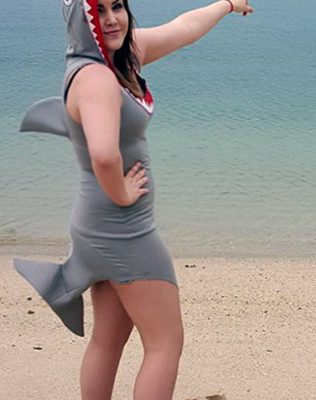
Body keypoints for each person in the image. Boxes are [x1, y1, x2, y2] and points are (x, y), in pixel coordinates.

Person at [13, 0, 254, 399]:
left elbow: (183, 29)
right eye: (99, 11)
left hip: (96, 228)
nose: (112, 19)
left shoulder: (116, 58)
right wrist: (121, 192)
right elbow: (104, 155)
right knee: (165, 343)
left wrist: (226, 5)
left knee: (108, 340)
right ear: (81, 20)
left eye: (118, 7)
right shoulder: (97, 79)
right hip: (124, 232)